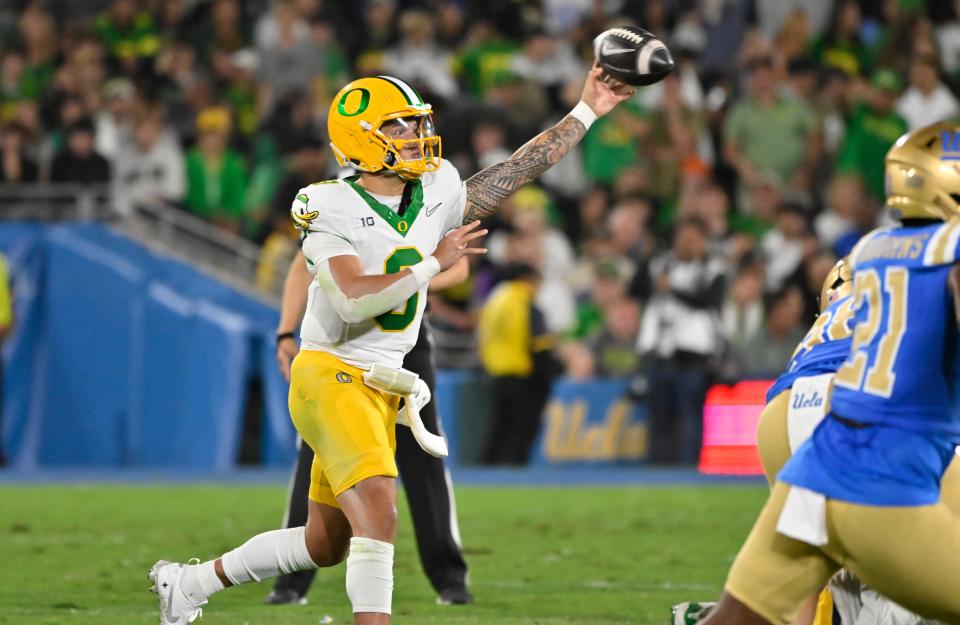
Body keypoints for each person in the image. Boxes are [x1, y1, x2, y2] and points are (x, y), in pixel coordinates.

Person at [149, 67, 635, 625]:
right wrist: (435, 262)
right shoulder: (325, 204)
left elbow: (516, 170)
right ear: (361, 139)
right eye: (400, 127)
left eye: (416, 123)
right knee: (380, 509)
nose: (415, 135)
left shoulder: (436, 187)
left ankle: (186, 584)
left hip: (383, 380)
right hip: (331, 372)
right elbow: (355, 300)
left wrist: (587, 110)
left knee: (323, 543)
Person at [699, 122, 960, 625]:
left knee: (738, 619)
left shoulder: (870, 250)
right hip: (886, 474)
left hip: (817, 462)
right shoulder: (949, 254)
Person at [266, 250, 472, 606]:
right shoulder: (334, 198)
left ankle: (449, 577)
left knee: (422, 454)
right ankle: (291, 580)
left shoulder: (426, 199)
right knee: (315, 456)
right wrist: (286, 330)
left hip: (403, 341)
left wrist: (396, 288)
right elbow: (304, 263)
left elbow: (459, 266)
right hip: (343, 345)